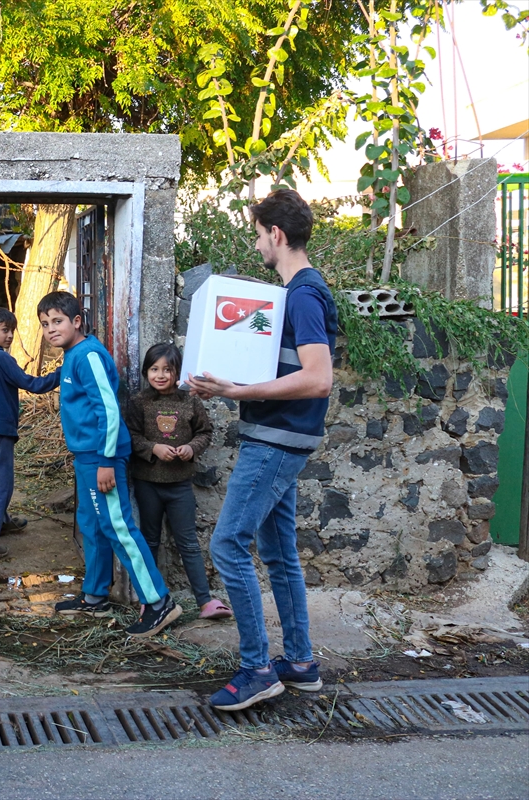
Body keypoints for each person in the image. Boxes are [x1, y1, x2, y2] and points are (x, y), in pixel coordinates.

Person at [189, 189, 337, 712]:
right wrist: (227, 380)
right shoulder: (295, 294)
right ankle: (298, 662)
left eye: (257, 234)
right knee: (277, 554)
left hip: (275, 441)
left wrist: (236, 393)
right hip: (279, 436)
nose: (256, 244)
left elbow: (318, 379)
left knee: (227, 545)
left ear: (276, 234)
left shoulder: (302, 294)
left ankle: (257, 669)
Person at [38, 290, 181, 636]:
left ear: (76, 322)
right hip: (86, 457)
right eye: (44, 324)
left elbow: (109, 409)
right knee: (92, 524)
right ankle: (95, 596)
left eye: (57, 321)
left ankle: (160, 602)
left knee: (118, 527)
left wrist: (105, 460)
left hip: (102, 458)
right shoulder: (73, 355)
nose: (51, 329)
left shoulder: (87, 355)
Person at [126, 342, 231, 620]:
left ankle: (205, 601)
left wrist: (191, 448)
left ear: (177, 372)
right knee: (149, 541)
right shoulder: (139, 402)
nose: (160, 375)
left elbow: (205, 432)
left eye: (167, 370)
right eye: (154, 369)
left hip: (180, 485)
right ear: (146, 371)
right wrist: (153, 449)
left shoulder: (190, 401)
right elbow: (132, 436)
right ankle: (152, 599)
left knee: (188, 542)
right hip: (148, 483)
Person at [0, 307, 61, 563]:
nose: (9, 336)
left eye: (11, 331)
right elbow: (32, 385)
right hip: (1, 431)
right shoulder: (2, 359)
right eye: (4, 330)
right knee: (2, 486)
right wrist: (62, 372)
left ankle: (3, 522)